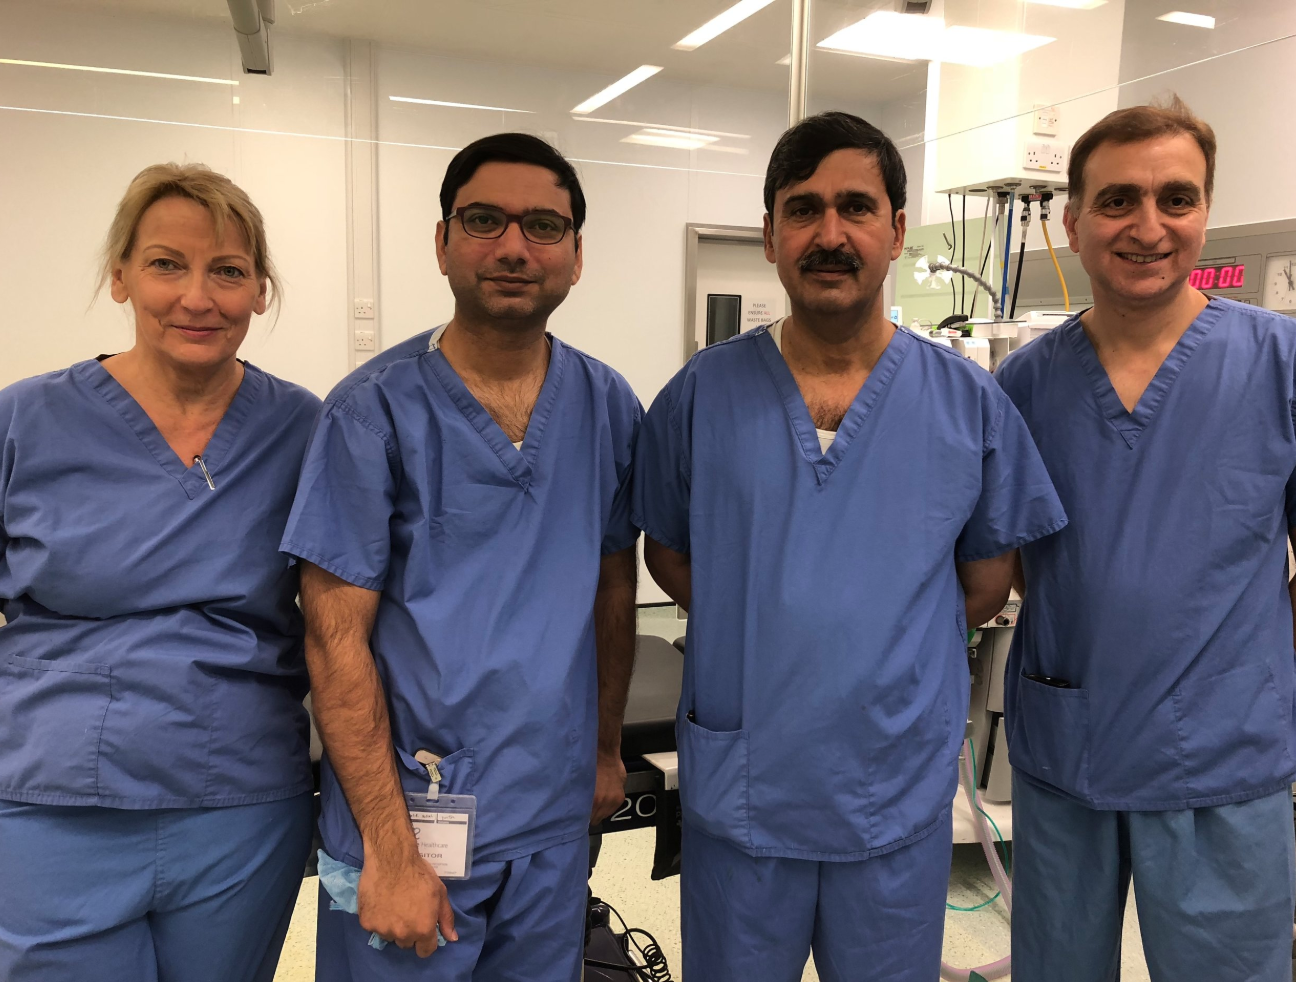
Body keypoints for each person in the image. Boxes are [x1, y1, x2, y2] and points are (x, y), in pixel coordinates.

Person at [633, 110, 1067, 982]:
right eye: (803, 209)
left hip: (889, 793)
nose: (830, 234)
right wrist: (766, 619)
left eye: (856, 208)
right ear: (770, 235)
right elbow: (667, 554)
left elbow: (987, 581)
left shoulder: (967, 404)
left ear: (897, 231)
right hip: (746, 788)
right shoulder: (702, 395)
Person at [281, 132, 640, 982]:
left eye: (543, 226)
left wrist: (604, 750)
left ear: (576, 255)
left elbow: (612, 587)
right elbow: (334, 639)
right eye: (484, 221)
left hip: (548, 815)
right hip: (409, 819)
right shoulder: (370, 413)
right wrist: (389, 848)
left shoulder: (607, 404)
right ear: (442, 241)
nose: (514, 247)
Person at [997, 96, 1296, 982]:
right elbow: (1008, 566)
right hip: (1068, 747)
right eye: (1119, 200)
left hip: (1225, 760)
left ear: (1206, 212)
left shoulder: (1278, 364)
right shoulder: (1022, 387)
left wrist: (1262, 687)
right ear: (1073, 221)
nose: (1149, 226)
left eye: (1177, 199)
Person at [0, 163, 319, 981]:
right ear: (121, 277)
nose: (197, 298)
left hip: (242, 802)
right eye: (166, 264)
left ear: (259, 290)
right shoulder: (24, 420)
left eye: (228, 271)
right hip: (50, 800)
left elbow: (345, 612)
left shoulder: (303, 429)